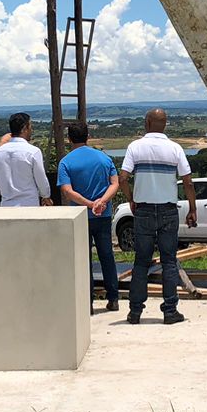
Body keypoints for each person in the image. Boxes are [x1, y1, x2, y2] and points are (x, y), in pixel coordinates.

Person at [118, 108, 196, 325]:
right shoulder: (175, 148)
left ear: (147, 122)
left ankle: (135, 312)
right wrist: (192, 208)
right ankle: (170, 311)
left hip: (143, 209)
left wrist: (131, 198)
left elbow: (122, 177)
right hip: (168, 210)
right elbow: (188, 182)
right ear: (165, 124)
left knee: (141, 261)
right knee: (169, 261)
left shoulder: (135, 147)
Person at [56, 121, 121, 312]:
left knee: (84, 258)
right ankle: (113, 298)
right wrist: (101, 202)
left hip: (79, 215)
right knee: (106, 256)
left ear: (69, 139)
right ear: (88, 137)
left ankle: (88, 302)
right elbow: (114, 184)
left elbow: (67, 191)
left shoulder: (66, 162)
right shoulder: (104, 158)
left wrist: (89, 204)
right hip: (103, 214)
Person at [0, 112, 51, 207]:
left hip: (6, 205)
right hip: (29, 204)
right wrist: (46, 196)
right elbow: (41, 179)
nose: (32, 129)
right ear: (24, 128)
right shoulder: (33, 151)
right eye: (30, 126)